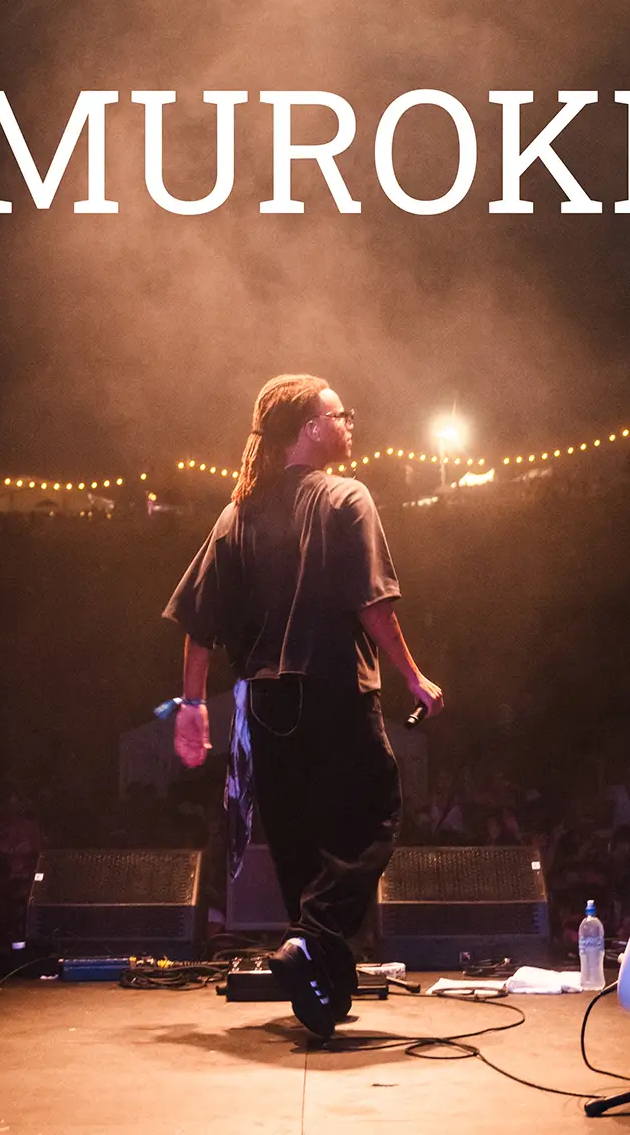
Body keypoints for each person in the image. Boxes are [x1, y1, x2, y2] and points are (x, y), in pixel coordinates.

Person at [163, 373, 443, 1037]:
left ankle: (321, 989)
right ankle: (313, 939)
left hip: (263, 704)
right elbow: (374, 605)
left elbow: (197, 623)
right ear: (311, 430)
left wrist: (192, 707)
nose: (350, 424)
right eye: (339, 416)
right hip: (334, 690)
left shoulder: (237, 514)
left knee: (299, 843)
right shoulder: (348, 497)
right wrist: (414, 677)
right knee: (376, 813)